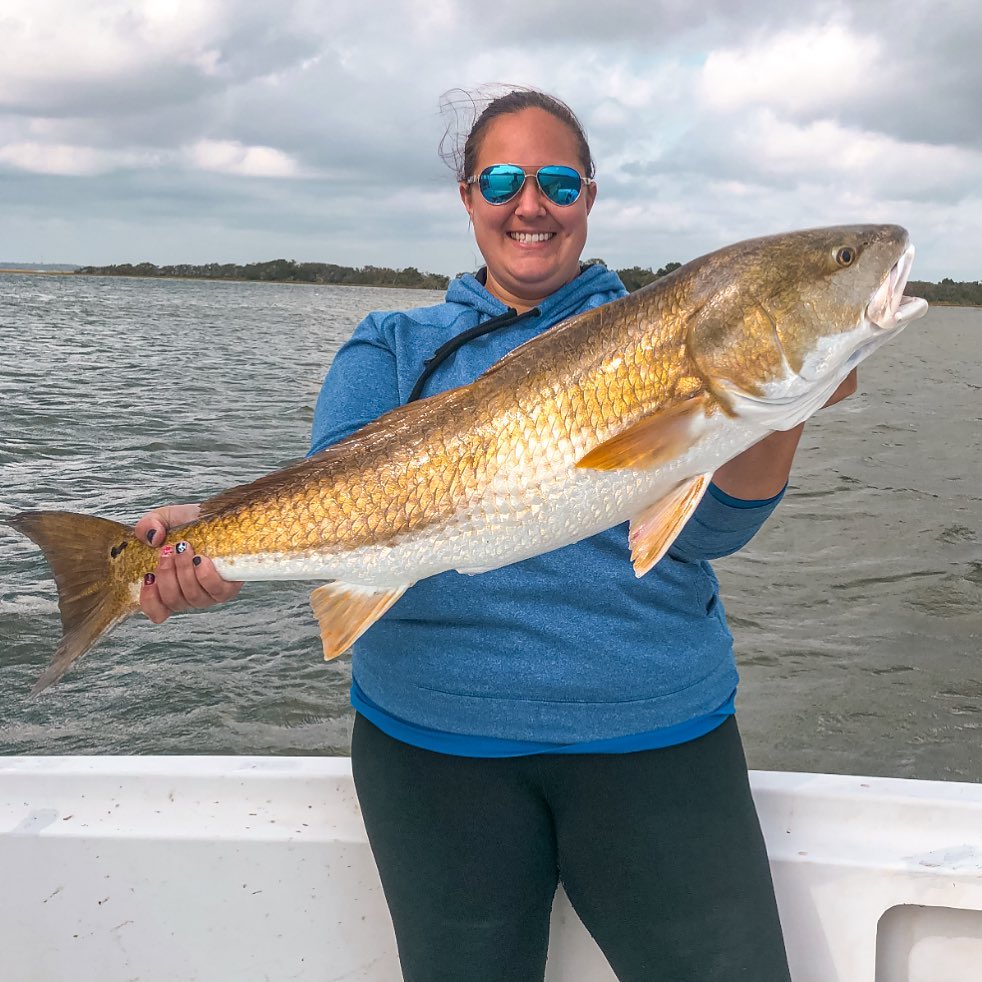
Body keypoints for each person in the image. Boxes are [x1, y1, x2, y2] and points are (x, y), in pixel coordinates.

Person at [136, 87, 856, 981]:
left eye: (557, 180)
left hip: (656, 736)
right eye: (503, 180)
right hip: (433, 752)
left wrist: (782, 406)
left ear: (588, 197)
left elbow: (708, 535)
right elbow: (329, 498)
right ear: (469, 197)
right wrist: (208, 535)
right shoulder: (391, 345)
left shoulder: (667, 335)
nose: (531, 203)